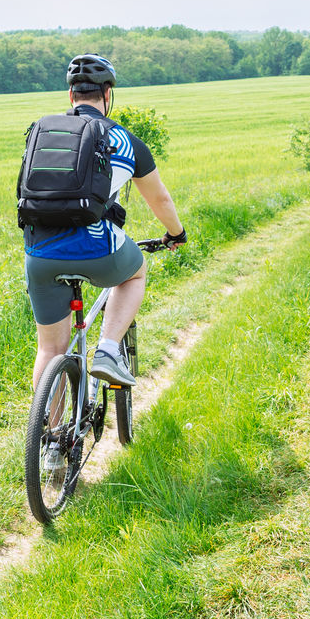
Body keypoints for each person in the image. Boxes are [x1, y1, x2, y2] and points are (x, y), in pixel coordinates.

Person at [22, 53, 186, 392]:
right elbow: (161, 200)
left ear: (71, 96)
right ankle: (109, 350)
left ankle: (51, 441)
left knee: (49, 349)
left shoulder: (42, 132)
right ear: (107, 95)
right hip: (97, 249)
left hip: (38, 252)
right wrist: (176, 233)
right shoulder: (125, 140)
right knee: (136, 271)